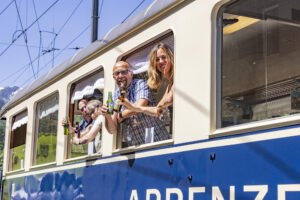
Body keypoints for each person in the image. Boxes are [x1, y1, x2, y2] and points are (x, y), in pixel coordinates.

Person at [101, 61, 170, 146]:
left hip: (157, 139)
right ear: (114, 77)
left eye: (123, 72)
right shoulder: (114, 96)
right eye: (117, 73)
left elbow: (139, 107)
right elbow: (112, 130)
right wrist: (107, 116)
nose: (120, 76)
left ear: (131, 74)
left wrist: (120, 116)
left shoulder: (140, 84)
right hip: (136, 145)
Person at [121, 43, 174, 117]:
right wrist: (133, 107)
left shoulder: (177, 78)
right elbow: (157, 111)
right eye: (157, 59)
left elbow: (168, 100)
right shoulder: (169, 86)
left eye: (163, 57)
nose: (161, 61)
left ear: (170, 57)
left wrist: (160, 106)